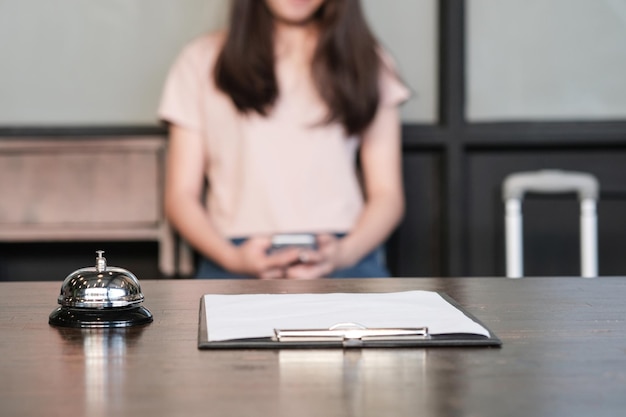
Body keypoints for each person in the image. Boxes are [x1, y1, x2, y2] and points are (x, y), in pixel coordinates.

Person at [158, 0, 410, 279]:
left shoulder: (367, 60)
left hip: (346, 253)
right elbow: (181, 196)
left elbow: (387, 195)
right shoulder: (200, 60)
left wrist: (343, 253)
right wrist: (232, 258)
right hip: (233, 255)